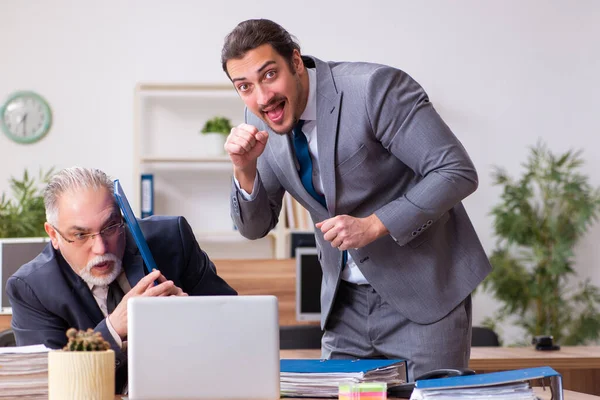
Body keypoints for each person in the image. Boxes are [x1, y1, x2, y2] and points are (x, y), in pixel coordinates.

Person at [221, 19, 492, 380]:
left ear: (296, 62)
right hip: (344, 309)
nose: (261, 97)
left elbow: (455, 171)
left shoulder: (373, 89)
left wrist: (375, 224)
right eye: (245, 86)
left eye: (269, 75)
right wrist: (244, 169)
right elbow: (255, 227)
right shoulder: (261, 120)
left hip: (423, 298)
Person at [6, 167, 236, 393]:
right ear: (54, 235)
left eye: (110, 227)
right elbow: (50, 385)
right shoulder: (30, 287)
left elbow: (235, 325)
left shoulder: (173, 239)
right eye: (80, 235)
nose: (101, 248)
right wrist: (113, 328)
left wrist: (193, 316)